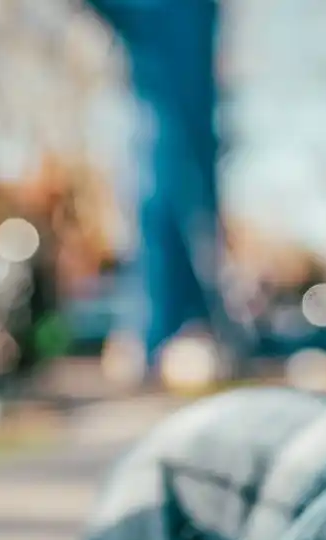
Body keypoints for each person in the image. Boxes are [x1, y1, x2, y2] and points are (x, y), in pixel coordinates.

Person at [83, 0, 236, 386]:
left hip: (183, 141)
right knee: (160, 208)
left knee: (176, 201)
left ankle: (182, 328)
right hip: (164, 139)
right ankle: (160, 333)